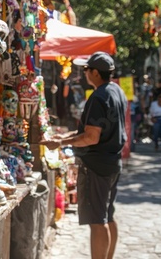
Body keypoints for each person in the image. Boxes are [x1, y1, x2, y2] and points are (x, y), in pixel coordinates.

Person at [41, 51, 127, 259]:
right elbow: (89, 132)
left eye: (87, 69)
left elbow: (91, 137)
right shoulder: (116, 91)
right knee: (107, 216)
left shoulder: (98, 97)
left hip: (96, 166)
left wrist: (60, 142)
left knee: (98, 221)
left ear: (96, 73)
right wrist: (66, 137)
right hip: (112, 162)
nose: (85, 72)